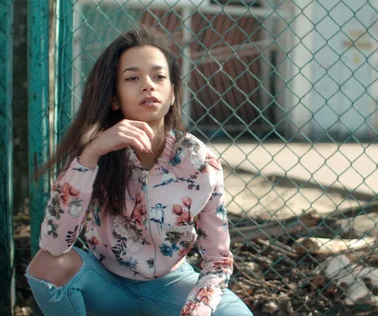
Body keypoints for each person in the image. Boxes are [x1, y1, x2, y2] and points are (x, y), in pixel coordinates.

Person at [25, 27, 253, 316]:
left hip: (171, 287)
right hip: (105, 286)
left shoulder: (200, 163)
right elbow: (54, 245)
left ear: (172, 94)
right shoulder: (91, 154)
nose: (148, 85)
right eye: (132, 78)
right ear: (114, 99)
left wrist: (196, 311)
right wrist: (92, 154)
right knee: (46, 266)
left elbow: (217, 262)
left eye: (159, 77)